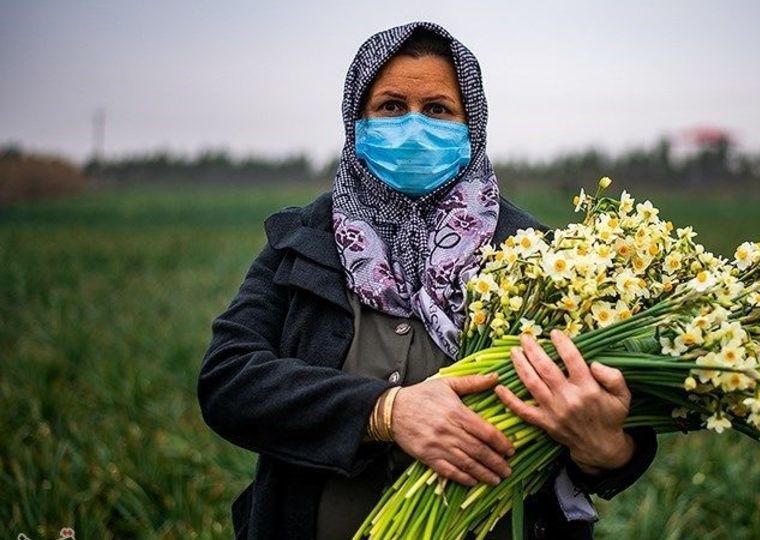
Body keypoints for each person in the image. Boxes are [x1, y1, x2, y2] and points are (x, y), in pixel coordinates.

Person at [198, 21, 658, 540]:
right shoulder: (305, 240)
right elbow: (228, 381)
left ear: (472, 125)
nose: (414, 127)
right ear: (357, 120)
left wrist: (605, 450)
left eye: (438, 109)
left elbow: (616, 434)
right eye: (391, 106)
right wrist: (384, 412)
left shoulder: (537, 256)